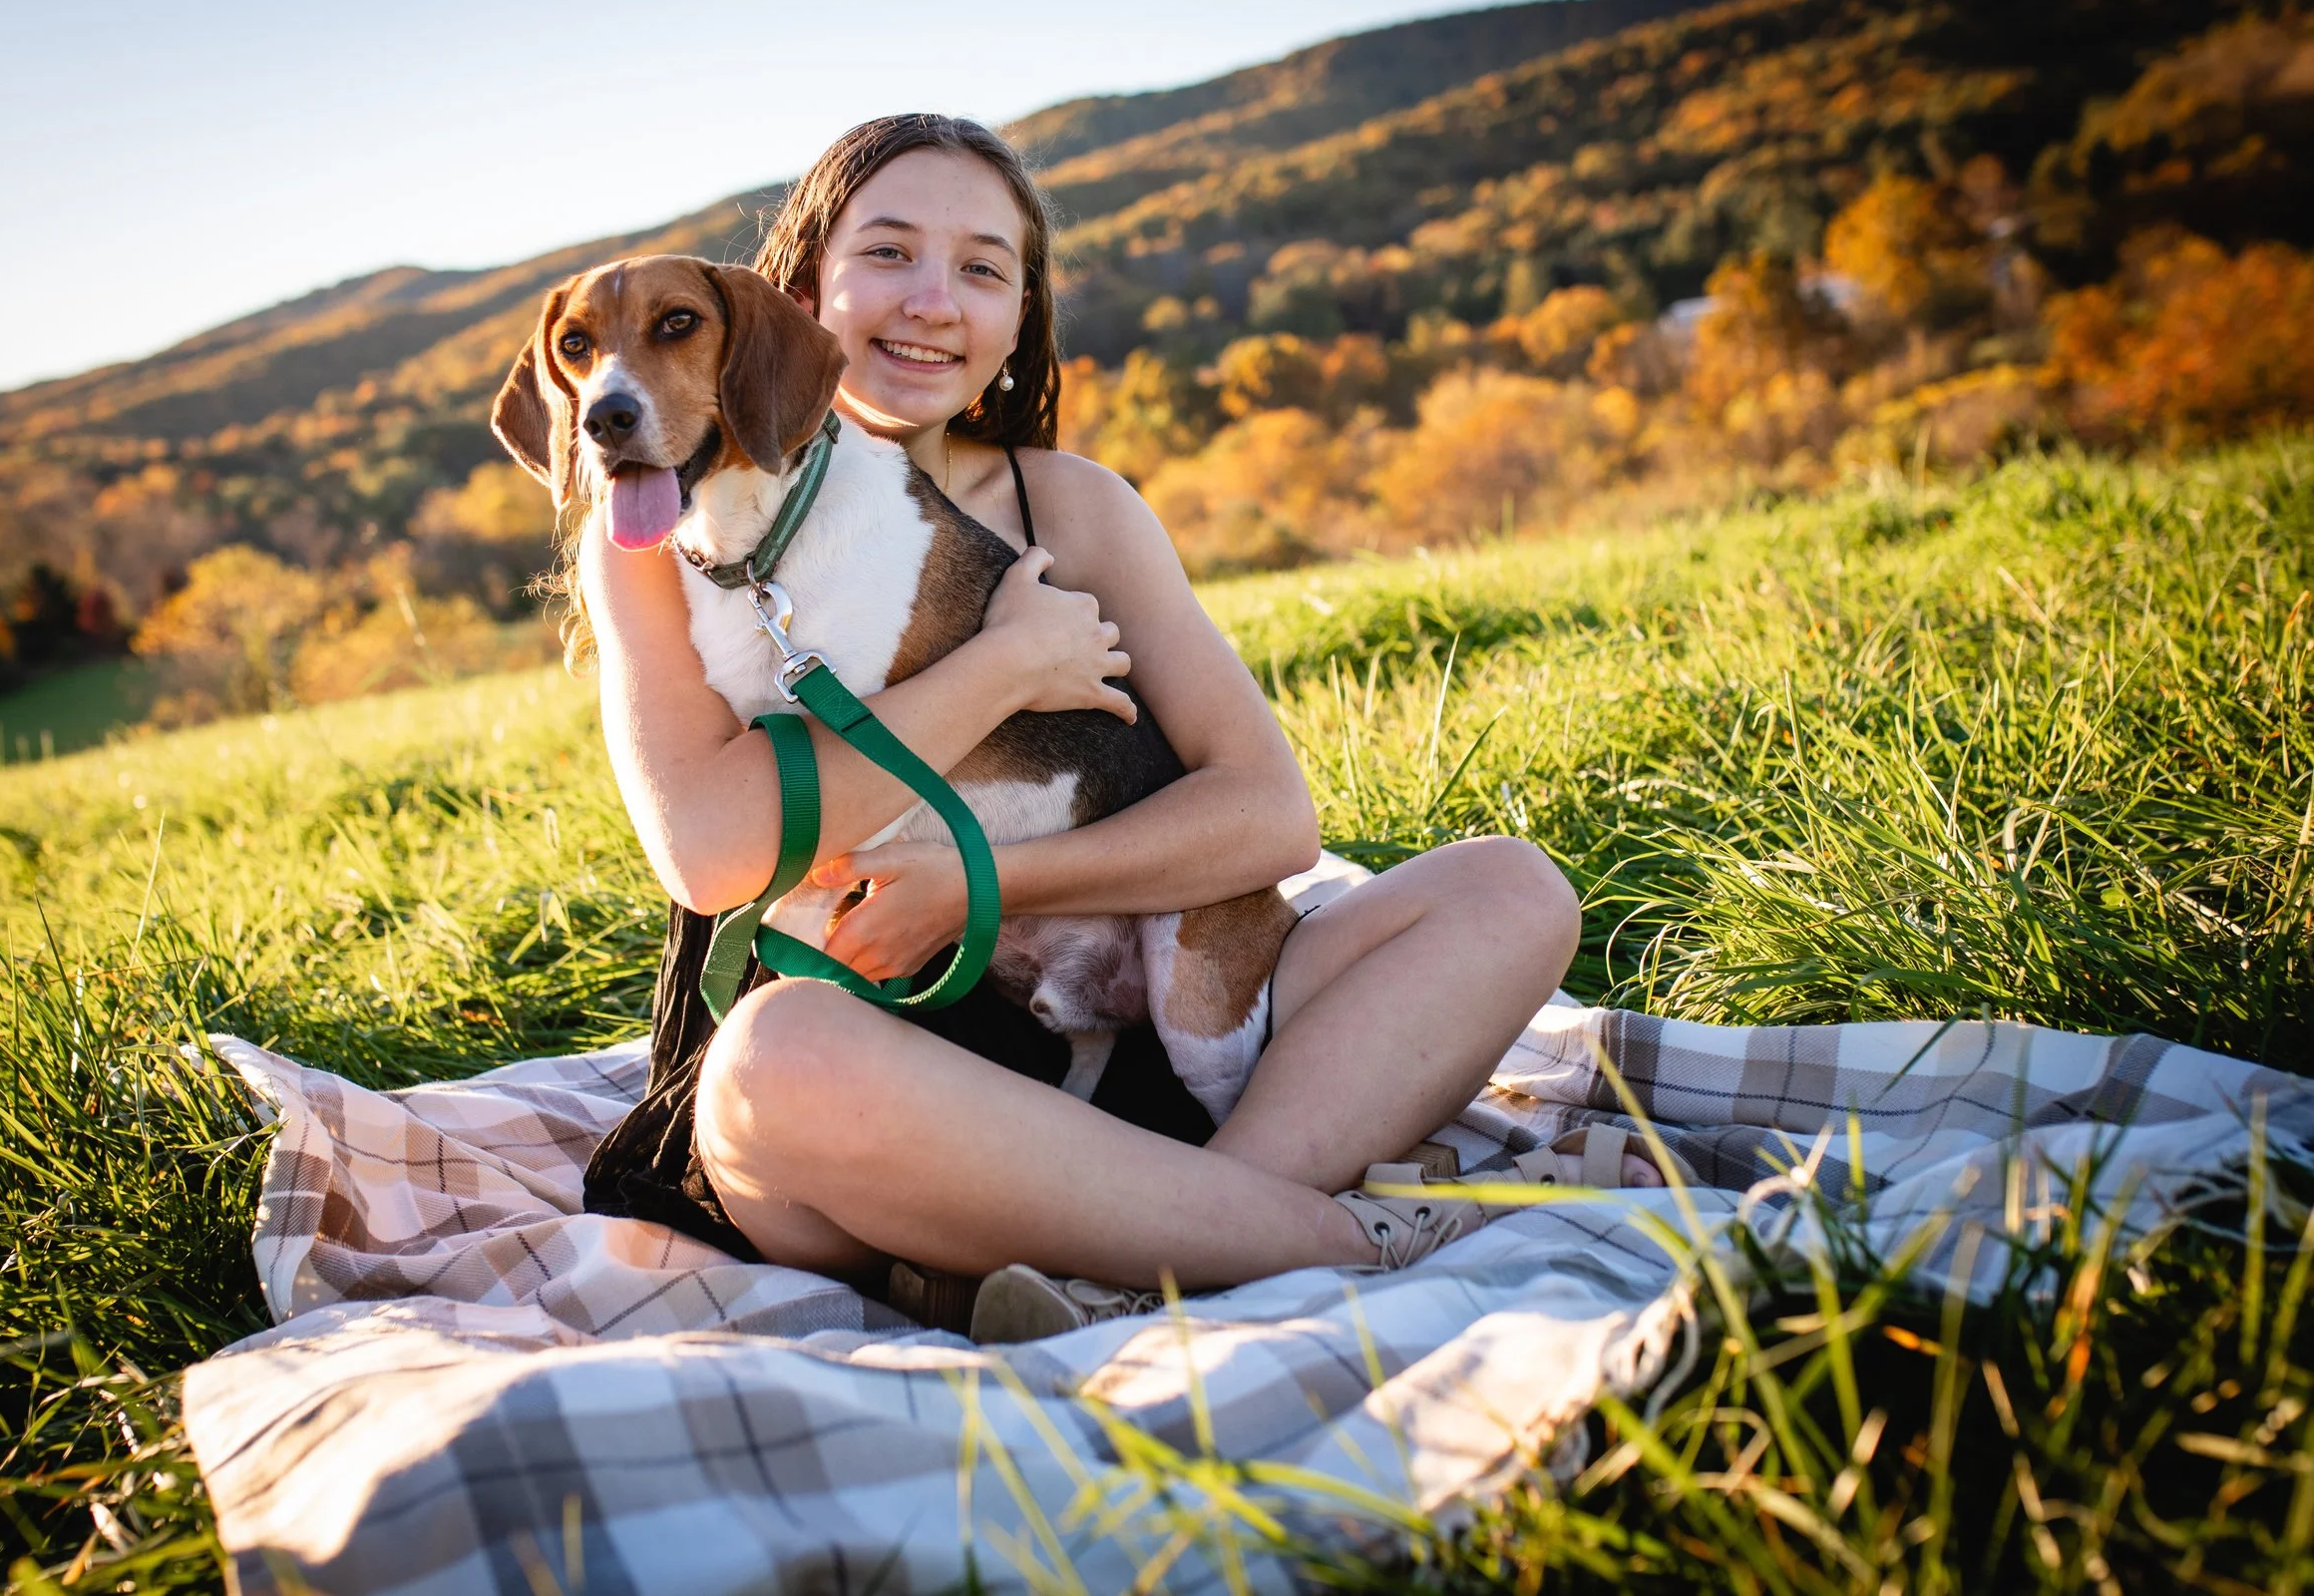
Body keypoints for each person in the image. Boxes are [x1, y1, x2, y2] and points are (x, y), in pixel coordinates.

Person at [575, 114, 1652, 1341]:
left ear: (1020, 311)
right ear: (801, 285)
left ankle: (1144, 1255)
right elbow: (714, 853)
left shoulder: (1069, 506)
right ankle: (1322, 1237)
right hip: (873, 1090)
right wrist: (1005, 664)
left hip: (1135, 1038)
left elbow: (1268, 816)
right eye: (888, 253)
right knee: (774, 1064)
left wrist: (977, 881)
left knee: (1510, 889)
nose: (933, 301)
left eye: (982, 268)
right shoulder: (664, 528)